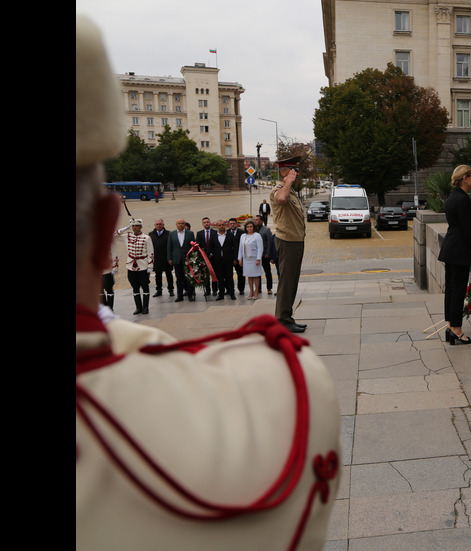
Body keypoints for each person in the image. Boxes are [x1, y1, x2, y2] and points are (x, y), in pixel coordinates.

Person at [76, 16, 341, 550]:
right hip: (285, 248)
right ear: (109, 228)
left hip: (294, 244)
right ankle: (286, 311)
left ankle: (288, 308)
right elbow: (283, 202)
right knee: (283, 294)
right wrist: (286, 179)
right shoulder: (287, 388)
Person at [437, 165, 471, 345]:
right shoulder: (461, 199)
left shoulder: (453, 196)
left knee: (452, 290)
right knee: (458, 291)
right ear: (464, 178)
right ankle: (457, 329)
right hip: (459, 249)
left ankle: (451, 326)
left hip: (451, 248)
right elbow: (467, 228)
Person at [270, 157, 307, 333]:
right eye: (293, 170)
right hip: (287, 242)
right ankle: (282, 320)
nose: (296, 174)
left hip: (296, 241)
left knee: (292, 282)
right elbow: (281, 199)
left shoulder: (291, 192)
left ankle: (287, 317)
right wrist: (289, 182)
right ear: (284, 172)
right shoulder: (279, 190)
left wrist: (290, 183)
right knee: (286, 282)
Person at [117, 218, 153, 315]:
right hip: (131, 266)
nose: (134, 228)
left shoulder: (146, 238)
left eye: (136, 226)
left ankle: (146, 307)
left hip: (143, 265)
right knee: (135, 287)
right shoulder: (127, 236)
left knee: (145, 286)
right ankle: (138, 307)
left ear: (141, 226)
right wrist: (123, 229)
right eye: (133, 226)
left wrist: (150, 265)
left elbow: (150, 253)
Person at [167, 218, 195, 302]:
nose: (180, 225)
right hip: (177, 259)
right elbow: (169, 247)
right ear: (176, 224)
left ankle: (190, 294)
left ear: (185, 224)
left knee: (189, 278)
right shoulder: (172, 234)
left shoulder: (190, 233)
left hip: (188, 259)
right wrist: (169, 258)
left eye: (182, 223)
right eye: (179, 223)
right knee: (179, 278)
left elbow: (193, 246)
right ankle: (180, 295)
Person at [238, 219, 264, 300]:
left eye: (251, 227)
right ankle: (251, 291)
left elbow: (260, 248)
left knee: (256, 276)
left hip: (254, 258)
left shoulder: (257, 236)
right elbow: (240, 248)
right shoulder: (243, 236)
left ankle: (256, 292)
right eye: (248, 227)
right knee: (249, 276)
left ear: (254, 227)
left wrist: (258, 258)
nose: (249, 228)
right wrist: (240, 259)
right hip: (246, 259)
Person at [211, 219, 237, 300]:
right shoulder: (214, 236)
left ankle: (231, 293)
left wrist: (235, 258)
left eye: (222, 225)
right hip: (218, 261)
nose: (221, 226)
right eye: (219, 225)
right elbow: (211, 248)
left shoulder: (230, 235)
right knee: (220, 278)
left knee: (229, 277)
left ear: (225, 226)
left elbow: (235, 247)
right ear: (217, 226)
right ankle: (221, 294)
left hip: (228, 260)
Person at [149, 219, 174, 297]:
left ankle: (171, 290)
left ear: (163, 225)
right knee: (158, 275)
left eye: (160, 224)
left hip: (166, 258)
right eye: (157, 224)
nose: (158, 226)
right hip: (156, 259)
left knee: (169, 275)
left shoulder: (169, 233)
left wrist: (171, 257)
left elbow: (171, 246)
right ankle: (159, 290)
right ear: (154, 225)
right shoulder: (151, 234)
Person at [197, 217, 218, 296]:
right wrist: (203, 254)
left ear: (210, 223)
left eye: (207, 222)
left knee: (214, 274)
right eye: (204, 222)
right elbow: (198, 245)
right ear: (202, 224)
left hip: (213, 257)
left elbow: (216, 245)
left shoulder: (215, 232)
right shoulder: (199, 233)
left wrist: (211, 253)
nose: (206, 223)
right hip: (204, 257)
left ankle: (215, 289)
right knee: (205, 275)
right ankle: (207, 290)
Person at [254, 215, 275, 295]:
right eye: (255, 220)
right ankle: (258, 288)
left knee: (267, 272)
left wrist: (268, 253)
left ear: (262, 221)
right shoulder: (253, 230)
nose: (255, 221)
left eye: (257, 220)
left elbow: (270, 242)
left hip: (264, 254)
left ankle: (269, 288)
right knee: (257, 272)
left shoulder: (266, 230)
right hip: (256, 255)